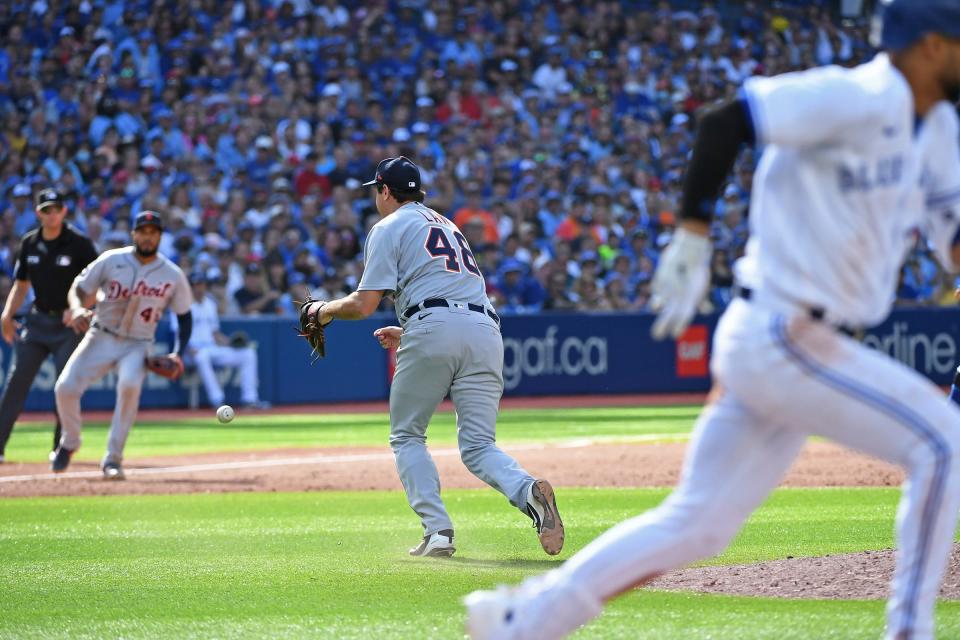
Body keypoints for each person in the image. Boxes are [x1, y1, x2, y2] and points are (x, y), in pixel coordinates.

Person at [465, 2, 960, 639]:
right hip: (785, 332)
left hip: (795, 344)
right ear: (930, 47)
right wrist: (693, 233)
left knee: (698, 522)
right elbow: (726, 121)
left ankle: (523, 619)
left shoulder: (941, 130)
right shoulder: (853, 96)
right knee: (943, 442)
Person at [301, 156, 563, 557]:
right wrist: (411, 329)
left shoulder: (388, 226)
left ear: (385, 191)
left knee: (407, 434)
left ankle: (438, 531)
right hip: (484, 330)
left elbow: (364, 305)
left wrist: (323, 310)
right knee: (478, 446)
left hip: (432, 325)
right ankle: (528, 490)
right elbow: (453, 293)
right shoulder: (449, 225)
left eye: (376, 190)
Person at [52, 211, 193, 480]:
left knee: (130, 384)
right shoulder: (111, 259)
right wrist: (78, 308)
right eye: (143, 231)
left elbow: (185, 317)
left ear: (160, 237)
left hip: (138, 343)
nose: (148, 237)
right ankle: (70, 442)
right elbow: (79, 288)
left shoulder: (172, 274)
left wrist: (178, 352)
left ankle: (112, 459)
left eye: (153, 232)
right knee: (65, 388)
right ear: (134, 234)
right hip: (101, 335)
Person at [0, 188, 98, 463]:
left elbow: (99, 282)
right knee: (16, 382)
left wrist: (79, 307)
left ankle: (61, 448)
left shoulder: (78, 243)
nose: (51, 214)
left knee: (64, 385)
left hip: (68, 325)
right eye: (46, 210)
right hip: (38, 319)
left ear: (64, 211)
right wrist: (7, 315)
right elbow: (21, 285)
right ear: (38, 213)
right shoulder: (29, 243)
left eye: (56, 209)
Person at [178, 272, 267, 409]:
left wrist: (230, 343)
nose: (198, 288)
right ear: (189, 287)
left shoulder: (210, 304)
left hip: (211, 348)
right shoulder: (182, 305)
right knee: (201, 356)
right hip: (191, 351)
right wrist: (189, 349)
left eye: (201, 285)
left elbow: (215, 333)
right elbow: (179, 333)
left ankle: (250, 399)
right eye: (195, 285)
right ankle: (217, 400)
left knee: (248, 353)